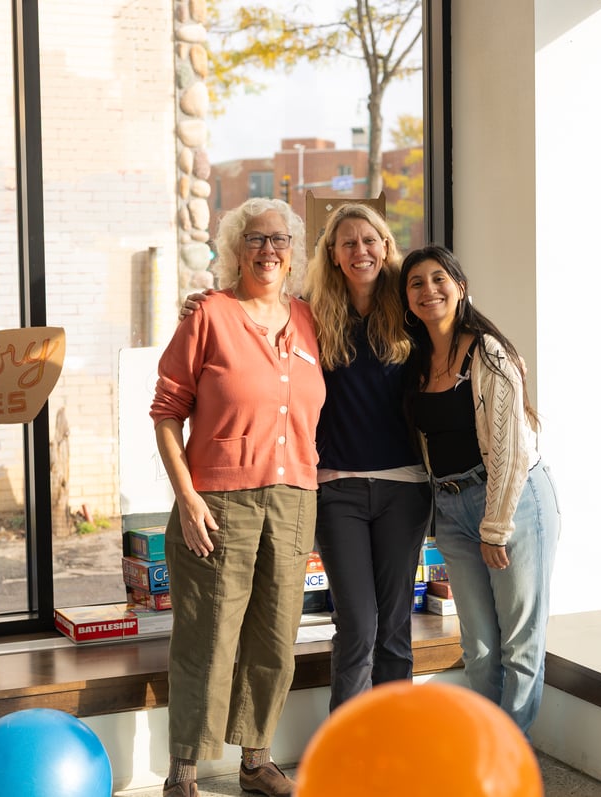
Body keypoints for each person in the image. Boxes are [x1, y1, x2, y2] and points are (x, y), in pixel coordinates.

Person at [182, 203, 432, 712]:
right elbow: (252, 309)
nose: (360, 251)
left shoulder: (410, 311)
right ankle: (346, 753)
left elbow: (453, 327)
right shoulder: (314, 312)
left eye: (370, 240)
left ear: (385, 246)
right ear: (332, 255)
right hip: (336, 487)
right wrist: (200, 304)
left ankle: (394, 748)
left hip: (404, 489)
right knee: (358, 626)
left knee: (395, 629)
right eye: (348, 243)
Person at [150, 197, 325, 797]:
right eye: (255, 239)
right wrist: (187, 497)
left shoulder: (310, 321)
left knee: (276, 635)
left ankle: (255, 760)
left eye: (279, 240)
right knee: (207, 635)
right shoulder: (209, 316)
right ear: (235, 249)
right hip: (219, 501)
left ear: (293, 253)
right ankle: (186, 771)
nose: (268, 250)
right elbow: (167, 413)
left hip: (296, 496)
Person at [398, 243, 561, 736]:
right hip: (451, 507)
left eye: (438, 279)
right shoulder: (417, 361)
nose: (429, 290)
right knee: (480, 648)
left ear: (460, 287)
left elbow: (511, 449)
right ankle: (486, 756)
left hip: (512, 503)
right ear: (405, 298)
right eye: (416, 283)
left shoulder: (488, 352)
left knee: (520, 641)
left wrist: (495, 527)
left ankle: (509, 768)